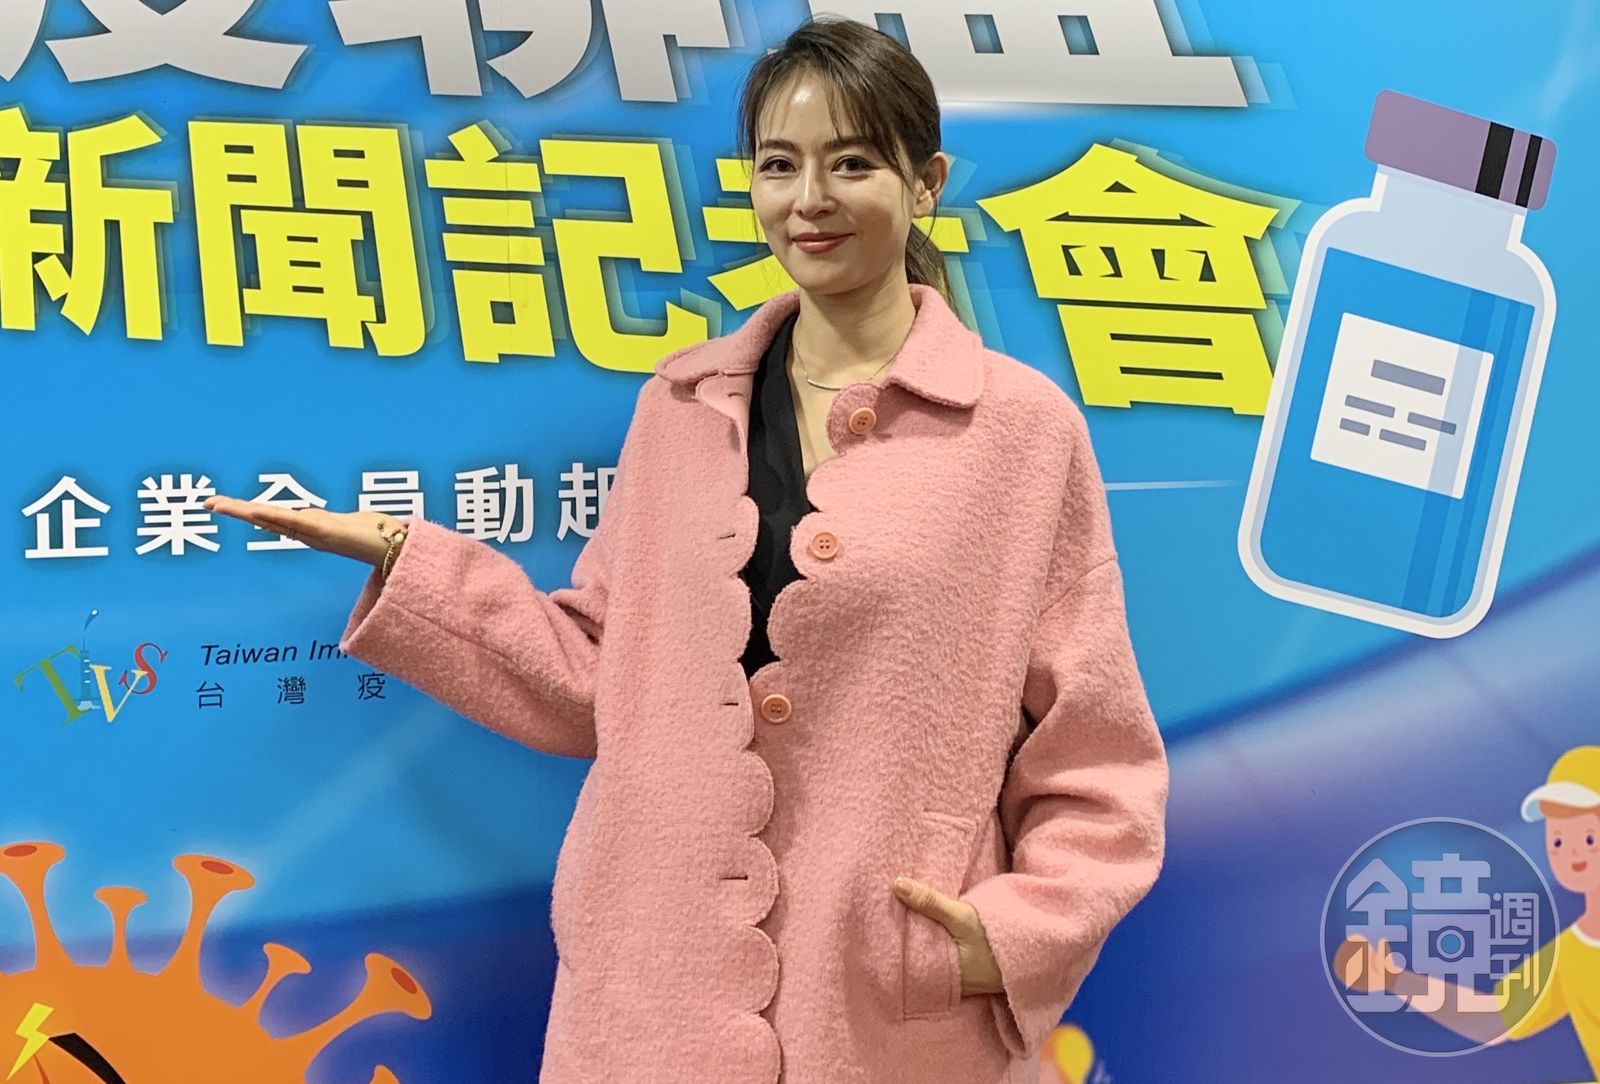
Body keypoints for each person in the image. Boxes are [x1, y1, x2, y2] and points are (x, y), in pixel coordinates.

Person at [205, 16, 1168, 1084]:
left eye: (852, 163)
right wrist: (403, 556)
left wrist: (1011, 936)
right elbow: (595, 676)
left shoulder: (1019, 432)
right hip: (647, 993)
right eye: (778, 165)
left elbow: (1097, 753)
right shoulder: (678, 409)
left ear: (925, 181)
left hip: (882, 1014)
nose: (809, 199)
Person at [1335, 746, 1600, 1072]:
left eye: (1589, 838)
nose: (1573, 854)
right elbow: (1496, 1019)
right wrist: (1394, 979)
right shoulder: (1567, 957)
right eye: (1558, 841)